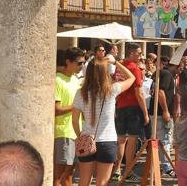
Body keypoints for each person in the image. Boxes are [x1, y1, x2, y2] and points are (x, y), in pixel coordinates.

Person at [72, 56, 135, 186]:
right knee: (102, 182)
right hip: (107, 141)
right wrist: (116, 62)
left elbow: (74, 120)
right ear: (105, 73)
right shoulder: (111, 90)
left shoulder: (81, 93)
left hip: (87, 139)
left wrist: (79, 136)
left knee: (84, 181)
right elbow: (131, 78)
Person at [113, 43, 149, 182]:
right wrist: (145, 113)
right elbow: (139, 93)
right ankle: (128, 171)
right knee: (132, 141)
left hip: (121, 106)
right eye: (139, 53)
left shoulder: (119, 67)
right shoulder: (135, 69)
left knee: (121, 140)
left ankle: (117, 170)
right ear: (132, 53)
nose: (141, 56)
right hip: (133, 107)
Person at [54, 47, 85, 186]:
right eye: (79, 63)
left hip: (76, 132)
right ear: (68, 62)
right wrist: (77, 106)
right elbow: (57, 109)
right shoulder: (57, 80)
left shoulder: (75, 80)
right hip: (63, 132)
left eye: (83, 63)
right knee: (59, 174)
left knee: (70, 172)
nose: (82, 66)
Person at [150, 56, 178, 177]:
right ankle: (166, 167)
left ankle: (156, 165)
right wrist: (166, 110)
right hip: (162, 113)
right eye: (179, 67)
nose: (180, 69)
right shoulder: (166, 74)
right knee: (165, 140)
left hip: (157, 112)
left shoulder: (158, 73)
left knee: (157, 140)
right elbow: (160, 92)